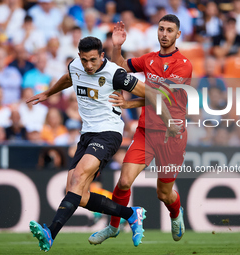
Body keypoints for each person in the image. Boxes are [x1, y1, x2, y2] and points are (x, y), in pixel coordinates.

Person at [26, 36, 179, 251]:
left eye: (93, 60)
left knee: (78, 178)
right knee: (77, 193)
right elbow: (70, 77)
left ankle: (50, 233)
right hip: (86, 135)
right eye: (85, 60)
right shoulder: (76, 66)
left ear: (102, 56)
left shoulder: (115, 74)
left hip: (108, 133)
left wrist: (167, 123)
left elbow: (153, 94)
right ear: (79, 57)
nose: (89, 65)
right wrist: (48, 93)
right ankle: (131, 214)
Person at [88, 14, 192, 244]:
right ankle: (113, 227)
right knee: (124, 182)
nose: (164, 34)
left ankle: (176, 213)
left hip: (171, 135)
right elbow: (120, 69)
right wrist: (117, 46)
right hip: (146, 131)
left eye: (169, 30)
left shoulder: (184, 65)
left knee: (163, 193)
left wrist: (129, 102)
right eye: (161, 29)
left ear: (178, 34)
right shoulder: (149, 59)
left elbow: (161, 96)